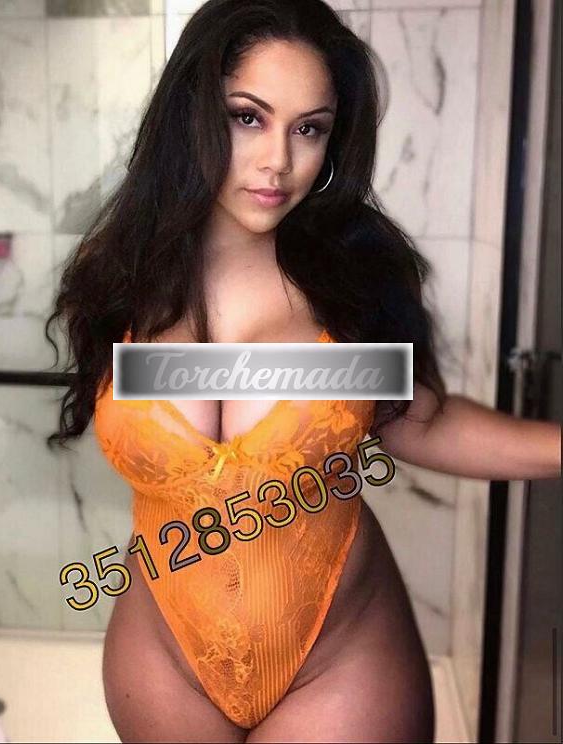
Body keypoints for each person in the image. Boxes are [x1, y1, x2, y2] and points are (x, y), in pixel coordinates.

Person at [45, 1, 561, 741]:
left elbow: (423, 423)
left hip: (339, 655)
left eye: (309, 128)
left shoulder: (350, 280)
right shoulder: (118, 280)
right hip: (163, 653)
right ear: (192, 115)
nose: (278, 161)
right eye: (247, 117)